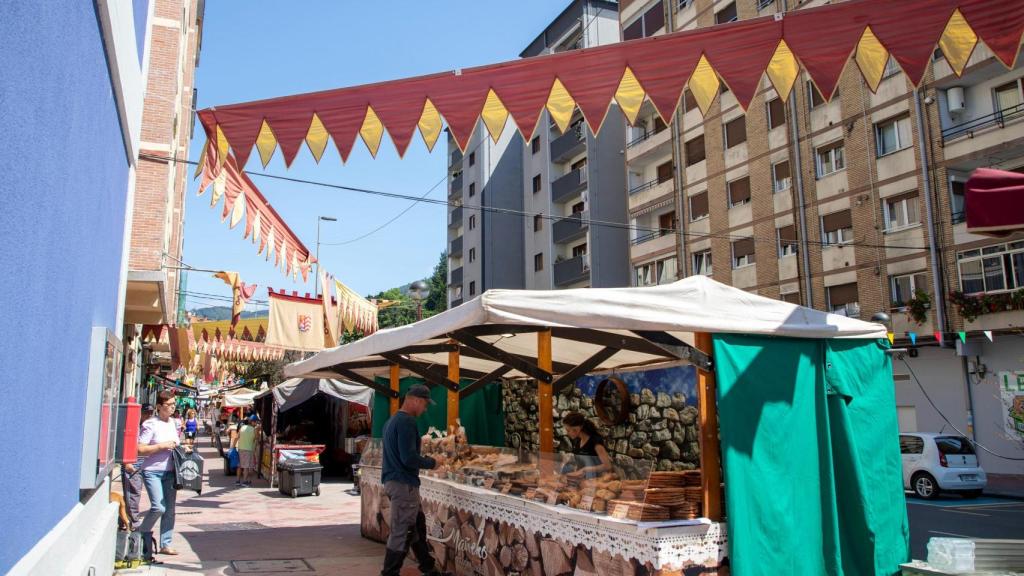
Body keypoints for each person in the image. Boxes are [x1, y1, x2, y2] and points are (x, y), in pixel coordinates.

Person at [380, 385, 449, 576]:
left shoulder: (391, 421)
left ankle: (429, 568)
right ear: (416, 400)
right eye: (425, 404)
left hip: (394, 481)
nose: (425, 409)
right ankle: (389, 573)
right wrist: (433, 462)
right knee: (402, 531)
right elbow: (408, 458)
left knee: (417, 525)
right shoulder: (407, 422)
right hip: (404, 484)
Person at [137, 390, 181, 560]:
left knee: (169, 510)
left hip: (170, 472)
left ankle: (166, 544)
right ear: (159, 407)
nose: (173, 408)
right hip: (152, 471)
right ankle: (141, 536)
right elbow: (140, 449)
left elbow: (175, 444)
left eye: (174, 404)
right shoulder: (150, 424)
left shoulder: (173, 423)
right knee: (158, 507)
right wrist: (162, 446)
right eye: (169, 405)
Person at [122, 403, 154, 531]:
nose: (149, 415)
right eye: (146, 413)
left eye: (151, 413)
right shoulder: (133, 426)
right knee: (133, 494)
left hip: (147, 462)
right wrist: (127, 462)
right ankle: (133, 521)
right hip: (134, 462)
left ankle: (125, 519)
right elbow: (126, 442)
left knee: (136, 494)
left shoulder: (150, 427)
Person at [561, 412, 612, 479]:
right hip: (583, 480)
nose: (567, 433)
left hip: (595, 481)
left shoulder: (595, 441)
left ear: (576, 429)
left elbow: (607, 466)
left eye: (568, 430)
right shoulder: (577, 441)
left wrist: (585, 469)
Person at [235, 414, 259, 486]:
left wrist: (233, 447)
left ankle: (238, 481)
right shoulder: (254, 430)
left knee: (240, 465)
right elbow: (256, 439)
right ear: (252, 422)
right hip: (248, 449)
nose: (256, 424)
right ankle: (245, 481)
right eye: (256, 422)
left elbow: (237, 437)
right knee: (246, 466)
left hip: (240, 449)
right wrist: (257, 430)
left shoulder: (242, 427)